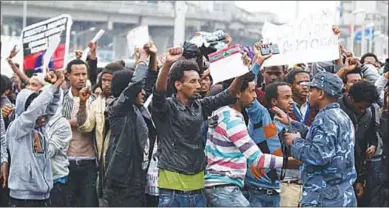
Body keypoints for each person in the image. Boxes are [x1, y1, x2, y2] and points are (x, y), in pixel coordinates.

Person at [150, 47, 245, 207]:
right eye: (193, 81)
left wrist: (242, 70)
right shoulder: (166, 108)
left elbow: (229, 94)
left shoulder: (200, 106)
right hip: (172, 189)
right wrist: (167, 65)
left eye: (199, 80)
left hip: (198, 187)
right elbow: (158, 93)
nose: (199, 85)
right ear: (178, 85)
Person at [275, 71, 357, 207]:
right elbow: (326, 140)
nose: (308, 92)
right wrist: (293, 124)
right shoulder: (341, 115)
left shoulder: (325, 118)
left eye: (312, 89)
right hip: (341, 195)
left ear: (321, 94)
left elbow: (318, 155)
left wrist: (295, 141)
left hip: (323, 197)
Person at [204, 72, 284, 207]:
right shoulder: (232, 120)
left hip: (221, 186)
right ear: (238, 93)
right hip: (224, 188)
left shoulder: (222, 113)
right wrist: (293, 162)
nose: (255, 95)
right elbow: (258, 159)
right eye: (252, 91)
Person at [104, 47, 156, 207]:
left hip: (138, 179)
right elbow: (137, 84)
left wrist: (153, 56)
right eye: (139, 90)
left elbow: (149, 81)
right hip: (124, 183)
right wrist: (141, 60)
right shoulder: (118, 109)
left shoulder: (138, 108)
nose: (143, 93)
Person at [6, 70, 65, 207]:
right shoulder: (17, 128)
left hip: (43, 196)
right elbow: (35, 109)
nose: (43, 113)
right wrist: (54, 85)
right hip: (23, 198)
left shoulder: (40, 127)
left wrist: (56, 89)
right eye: (39, 110)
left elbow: (52, 107)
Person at [62, 58, 98, 207]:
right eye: (77, 74)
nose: (81, 78)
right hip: (65, 163)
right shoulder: (60, 99)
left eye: (84, 74)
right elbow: (52, 124)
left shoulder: (94, 99)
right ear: (68, 76)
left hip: (89, 162)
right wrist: (74, 123)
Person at [44, 85, 72, 207]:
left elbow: (48, 152)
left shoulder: (62, 123)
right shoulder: (37, 119)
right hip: (39, 181)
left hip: (56, 180)